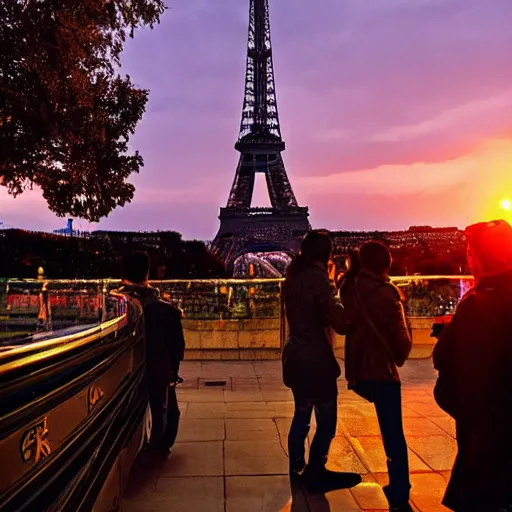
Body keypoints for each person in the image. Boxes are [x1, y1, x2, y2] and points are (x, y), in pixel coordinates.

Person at [433, 220, 512, 512]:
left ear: (479, 258)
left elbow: (449, 366)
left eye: (470, 251)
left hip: (489, 435)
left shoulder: (479, 304)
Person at [283, 230, 361, 493]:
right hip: (316, 360)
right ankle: (317, 468)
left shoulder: (292, 278)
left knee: (301, 415)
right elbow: (340, 322)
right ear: (326, 252)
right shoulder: (318, 279)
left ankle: (297, 467)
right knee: (326, 422)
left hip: (295, 356)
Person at [339, 241, 413, 512]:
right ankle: (400, 489)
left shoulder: (350, 287)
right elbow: (402, 345)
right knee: (394, 434)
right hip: (382, 370)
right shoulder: (386, 294)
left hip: (360, 370)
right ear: (387, 262)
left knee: (390, 430)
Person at [119, 251, 185, 454]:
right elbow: (177, 345)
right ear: (147, 274)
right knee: (163, 406)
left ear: (123, 275)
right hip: (158, 366)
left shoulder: (115, 305)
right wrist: (172, 368)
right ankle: (160, 442)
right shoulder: (166, 310)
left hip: (124, 368)